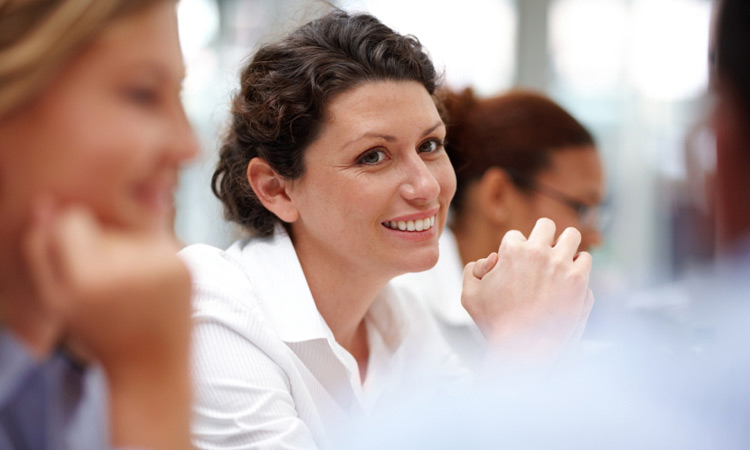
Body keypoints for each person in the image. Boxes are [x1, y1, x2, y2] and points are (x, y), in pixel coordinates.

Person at [182, 10, 594, 449]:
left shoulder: (400, 322)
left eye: (430, 146)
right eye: (373, 156)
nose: (427, 185)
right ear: (276, 188)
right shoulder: (215, 309)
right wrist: (521, 348)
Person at [0, 1, 197, 448]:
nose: (188, 146)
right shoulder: (132, 362)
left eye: (179, 98)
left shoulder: (91, 349)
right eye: (143, 94)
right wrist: (151, 390)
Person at [393, 89, 606, 364]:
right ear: (498, 196)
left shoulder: (555, 308)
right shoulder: (402, 310)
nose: (595, 236)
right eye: (581, 208)